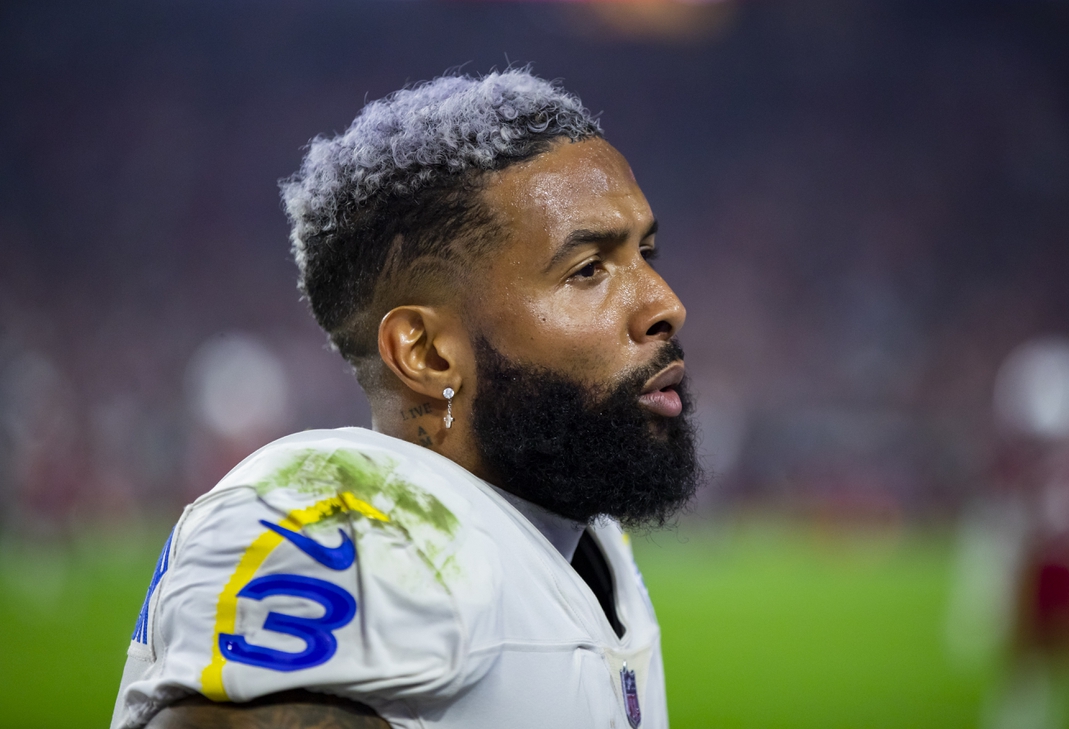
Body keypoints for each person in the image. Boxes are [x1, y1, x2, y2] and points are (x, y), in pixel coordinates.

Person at [110, 69, 701, 729]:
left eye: (645, 252)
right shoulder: (364, 534)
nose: (665, 304)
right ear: (425, 353)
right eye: (588, 270)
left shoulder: (584, 539)